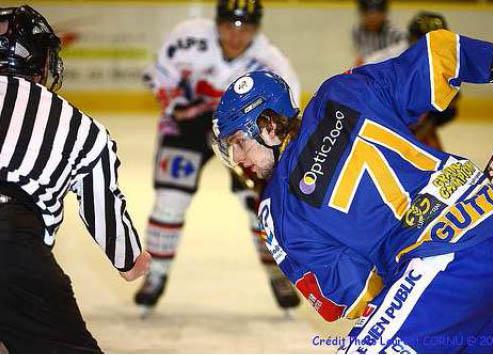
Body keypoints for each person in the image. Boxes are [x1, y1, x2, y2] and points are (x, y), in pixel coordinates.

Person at [212, 28, 493, 353]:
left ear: (268, 127)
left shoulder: (280, 207)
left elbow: (354, 296)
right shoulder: (342, 90)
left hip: (443, 264)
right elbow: (439, 52)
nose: (237, 159)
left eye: (238, 143)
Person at [135, 0, 301, 316]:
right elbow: (157, 74)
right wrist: (175, 104)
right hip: (185, 128)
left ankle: (278, 273)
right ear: (216, 24)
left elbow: (284, 115)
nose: (236, 36)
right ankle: (155, 277)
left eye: (246, 28)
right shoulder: (187, 37)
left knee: (259, 206)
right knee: (170, 200)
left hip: (244, 137)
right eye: (228, 26)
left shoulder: (272, 60)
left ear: (257, 29)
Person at [0, 5, 151, 353]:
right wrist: (129, 258)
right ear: (39, 61)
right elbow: (103, 207)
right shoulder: (79, 126)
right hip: (11, 244)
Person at [364, 11, 457, 149]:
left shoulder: (439, 59)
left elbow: (449, 105)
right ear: (413, 39)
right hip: (379, 109)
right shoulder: (391, 57)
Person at [352, 0, 404, 66]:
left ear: (385, 13)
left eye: (378, 12)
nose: (372, 16)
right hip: (367, 71)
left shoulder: (396, 35)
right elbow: (360, 55)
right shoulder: (357, 31)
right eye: (367, 12)